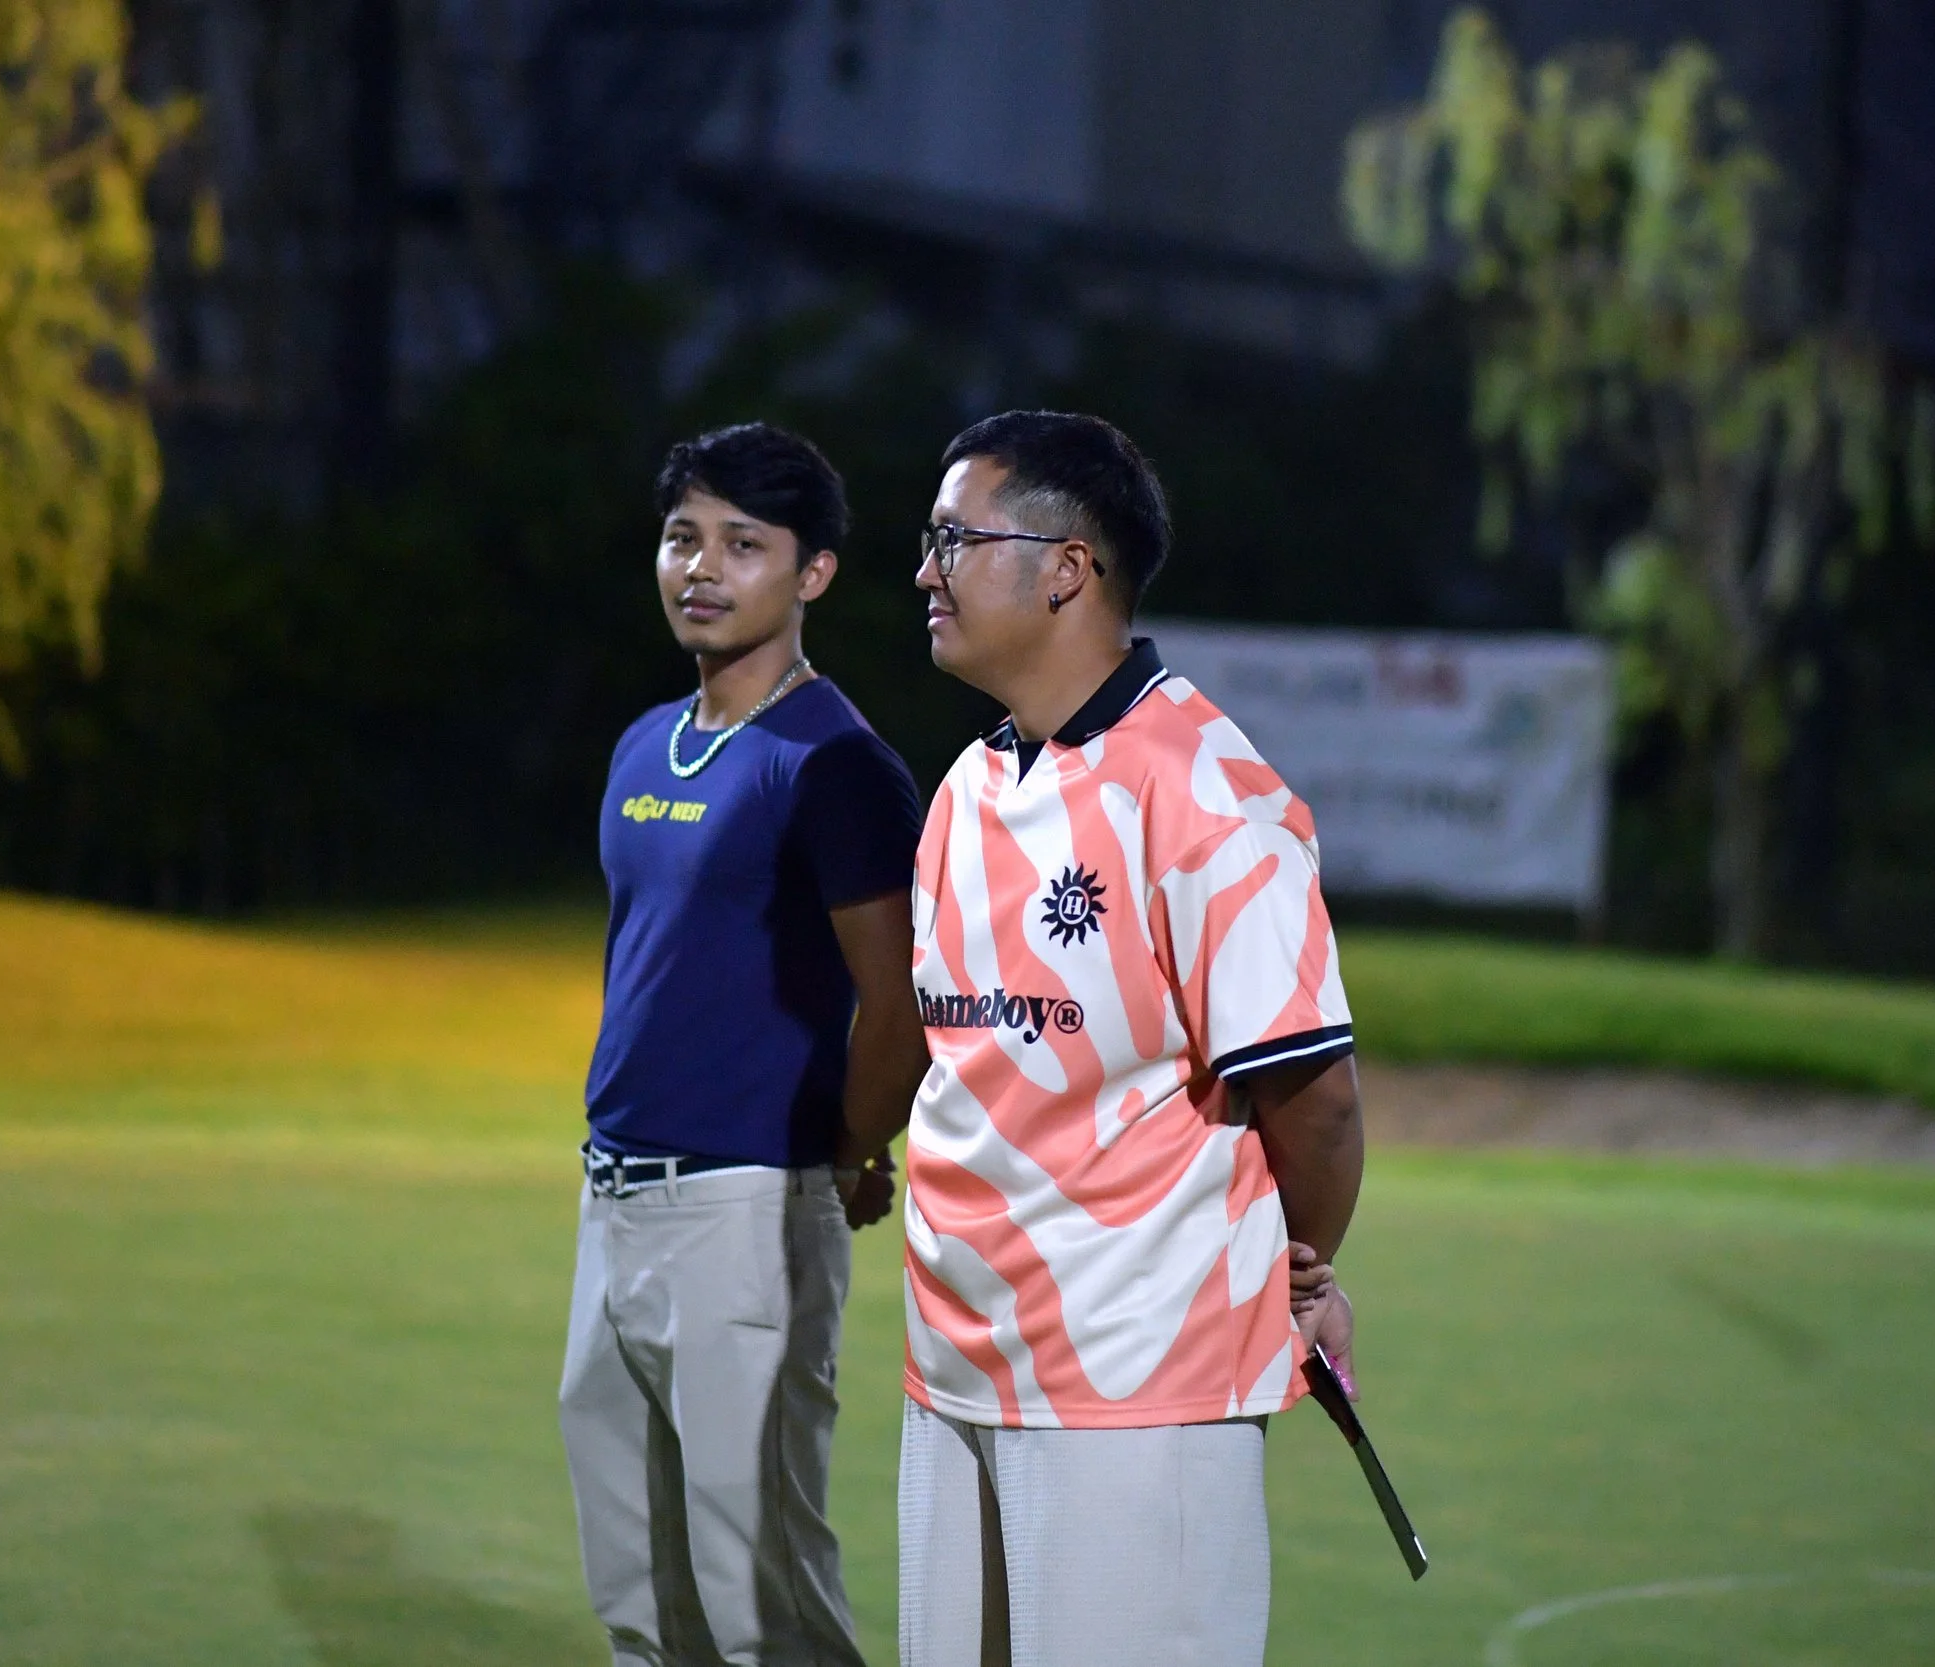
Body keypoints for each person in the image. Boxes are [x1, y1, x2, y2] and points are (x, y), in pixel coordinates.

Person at [898, 410, 1364, 1667]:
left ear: (1064, 567)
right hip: (953, 1372)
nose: (925, 569)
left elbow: (1314, 1101)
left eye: (955, 537)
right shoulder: (963, 792)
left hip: (1137, 1389)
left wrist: (1301, 1272)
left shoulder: (1205, 790)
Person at [559, 422, 927, 1667]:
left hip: (747, 1212)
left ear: (813, 572)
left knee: (758, 1590)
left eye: (743, 544)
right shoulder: (639, 744)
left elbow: (901, 1006)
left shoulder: (835, 764)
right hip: (613, 1199)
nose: (700, 567)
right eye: (682, 537)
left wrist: (843, 1148)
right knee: (639, 1589)